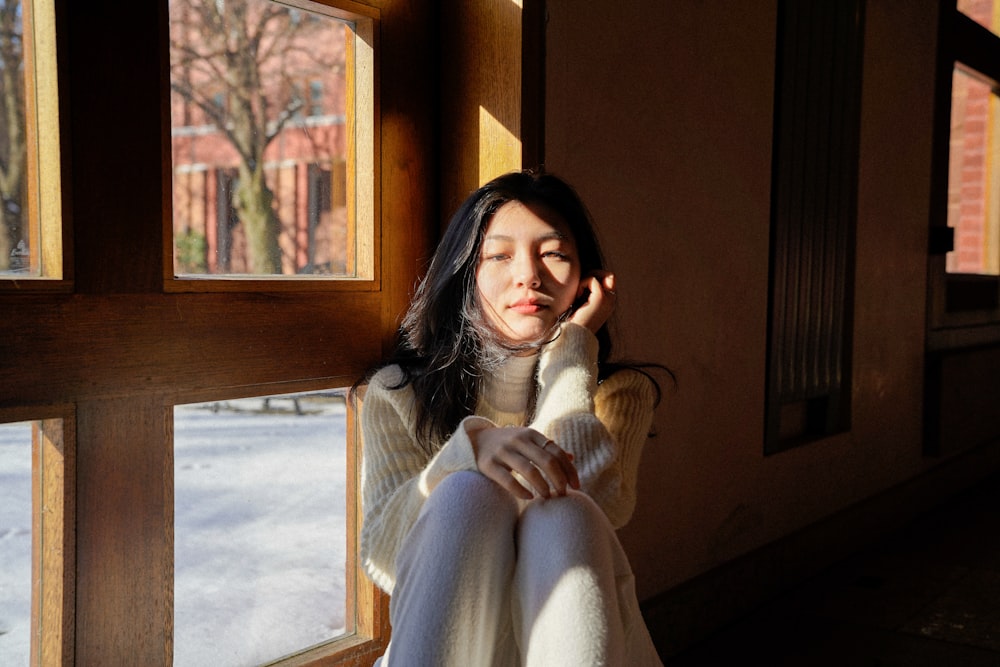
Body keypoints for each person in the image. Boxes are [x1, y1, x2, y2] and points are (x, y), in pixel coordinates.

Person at [357, 170, 666, 666]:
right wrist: (469, 453)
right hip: (450, 643)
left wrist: (573, 353)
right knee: (466, 490)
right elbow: (385, 555)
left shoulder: (619, 393)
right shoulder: (398, 391)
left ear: (586, 278)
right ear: (465, 274)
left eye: (554, 254)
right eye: (499, 256)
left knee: (565, 508)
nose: (529, 275)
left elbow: (599, 502)